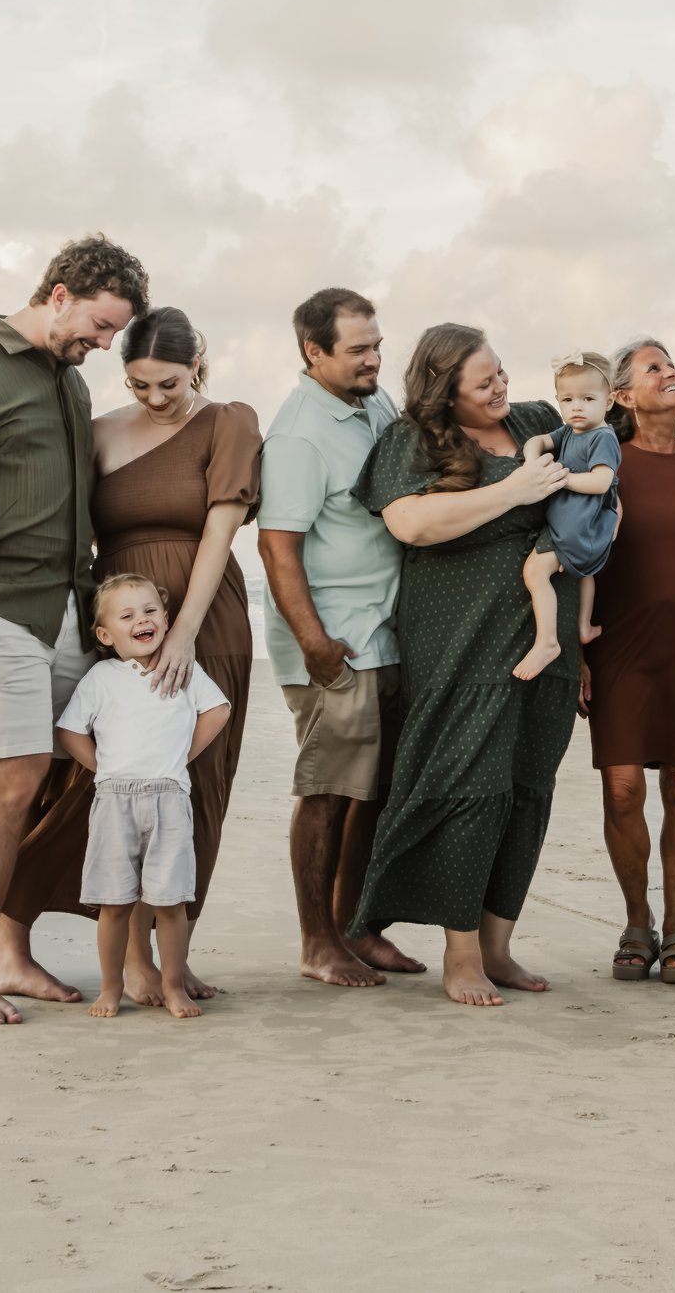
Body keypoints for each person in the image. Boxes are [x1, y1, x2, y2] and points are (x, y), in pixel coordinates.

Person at [0, 233, 147, 1025]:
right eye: (99, 325)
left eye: (113, 334)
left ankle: (13, 951)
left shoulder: (69, 385)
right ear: (59, 294)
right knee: (8, 784)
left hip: (70, 607)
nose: (103, 344)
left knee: (58, 780)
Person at [1, 305, 260, 1005]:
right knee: (97, 781)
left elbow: (219, 533)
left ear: (194, 362)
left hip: (205, 616)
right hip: (119, 620)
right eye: (138, 384)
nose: (152, 399)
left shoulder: (230, 420)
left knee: (193, 781)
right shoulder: (100, 431)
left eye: (167, 384)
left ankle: (164, 954)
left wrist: (183, 633)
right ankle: (30, 934)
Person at [351, 323, 578, 1007]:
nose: (502, 387)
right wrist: (516, 489)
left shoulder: (538, 421)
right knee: (470, 783)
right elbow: (411, 524)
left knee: (528, 784)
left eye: (502, 371)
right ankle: (460, 954)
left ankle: (498, 944)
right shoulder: (413, 440)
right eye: (484, 382)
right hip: (459, 633)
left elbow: (602, 448)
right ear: (445, 393)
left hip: (549, 634)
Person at [259, 288, 425, 987]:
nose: (374, 359)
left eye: (377, 345)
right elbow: (276, 546)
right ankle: (316, 940)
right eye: (358, 349)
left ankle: (358, 925)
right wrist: (315, 643)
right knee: (328, 791)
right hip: (337, 645)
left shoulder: (372, 403)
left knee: (375, 791)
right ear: (314, 351)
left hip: (383, 634)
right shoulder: (300, 431)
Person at [580, 339, 675, 985]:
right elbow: (573, 556)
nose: (670, 374)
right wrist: (577, 651)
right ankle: (637, 919)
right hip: (617, 645)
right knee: (622, 789)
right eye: (653, 369)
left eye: (672, 365)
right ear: (623, 396)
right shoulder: (604, 467)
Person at [55, 573, 233, 1020]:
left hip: (169, 799)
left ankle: (173, 985)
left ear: (167, 619)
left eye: (151, 611)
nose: (142, 620)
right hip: (114, 801)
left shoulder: (181, 669)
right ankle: (112, 988)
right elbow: (69, 730)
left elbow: (219, 710)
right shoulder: (102, 677)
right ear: (104, 633)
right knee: (114, 904)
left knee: (170, 903)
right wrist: (104, 767)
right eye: (128, 615)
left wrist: (182, 756)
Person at [514, 351, 622, 681]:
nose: (576, 407)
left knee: (534, 572)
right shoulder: (569, 431)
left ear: (610, 401)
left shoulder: (602, 437)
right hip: (582, 527)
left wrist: (561, 478)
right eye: (567, 399)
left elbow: (602, 480)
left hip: (575, 525)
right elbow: (538, 441)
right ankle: (584, 626)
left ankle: (547, 641)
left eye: (588, 399)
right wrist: (533, 459)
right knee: (585, 573)